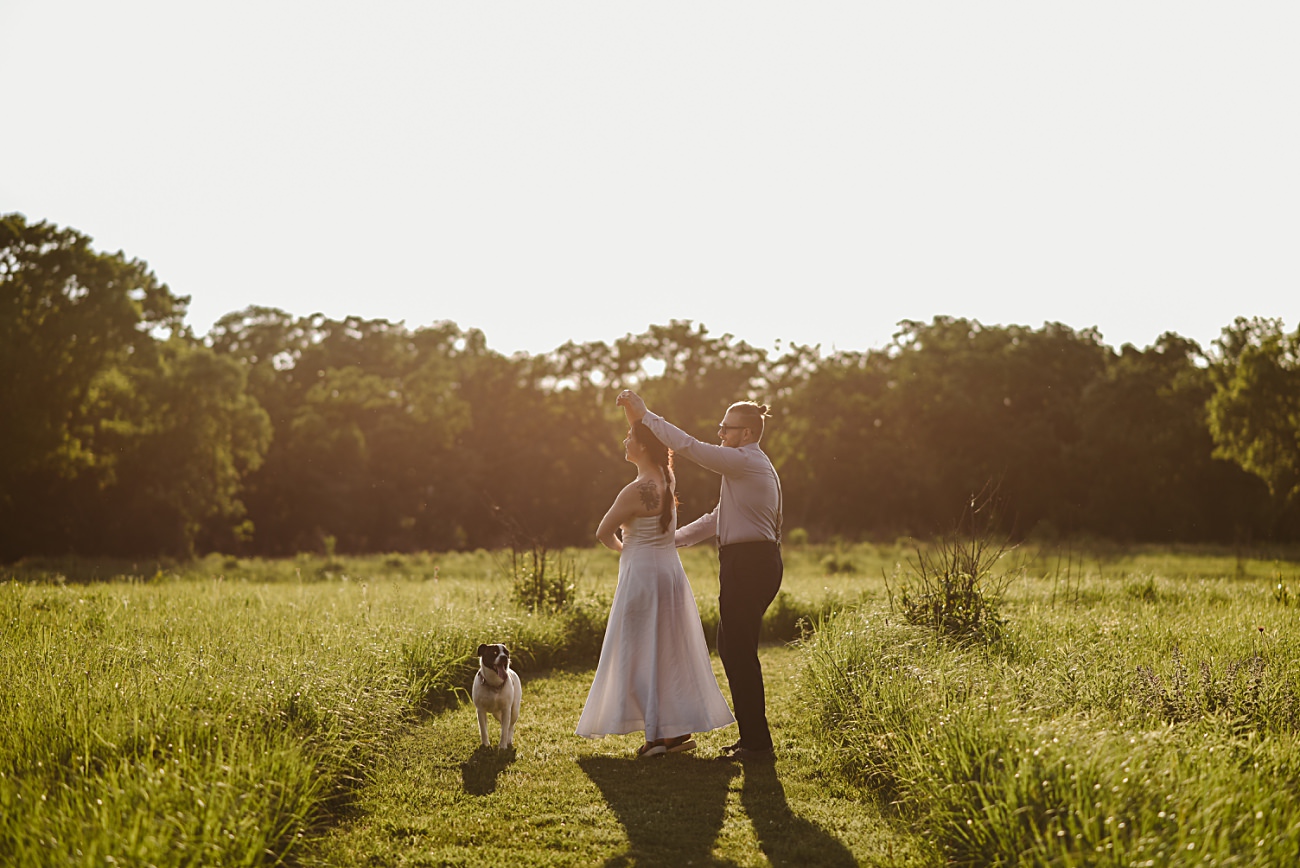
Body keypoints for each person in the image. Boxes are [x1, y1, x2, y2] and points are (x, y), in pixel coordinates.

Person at [617, 390, 782, 761]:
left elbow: (689, 446)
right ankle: (753, 740)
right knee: (733, 649)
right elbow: (716, 518)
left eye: (726, 429)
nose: (721, 434)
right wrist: (668, 540)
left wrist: (645, 417)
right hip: (751, 562)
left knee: (738, 651)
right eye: (721, 429)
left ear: (746, 433)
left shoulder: (745, 462)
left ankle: (758, 745)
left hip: (750, 564)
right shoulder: (747, 468)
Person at [575, 404, 735, 757]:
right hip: (670, 573)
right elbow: (651, 442)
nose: (625, 440)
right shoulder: (666, 479)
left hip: (643, 576)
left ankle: (657, 737)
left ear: (644, 447)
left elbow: (603, 532)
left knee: (641, 650)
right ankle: (673, 732)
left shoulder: (634, 491)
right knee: (668, 651)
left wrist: (627, 552)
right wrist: (634, 413)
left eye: (630, 437)